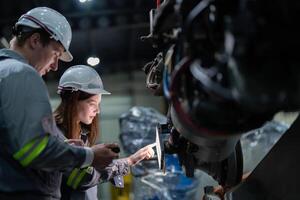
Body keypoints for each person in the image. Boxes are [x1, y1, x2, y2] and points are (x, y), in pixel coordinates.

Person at [0, 7, 120, 200]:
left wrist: (62, 146)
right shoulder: (21, 74)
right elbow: (34, 151)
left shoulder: (4, 72)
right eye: (55, 54)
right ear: (35, 40)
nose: (55, 66)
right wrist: (90, 155)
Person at [54, 65, 155, 200]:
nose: (98, 111)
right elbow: (82, 178)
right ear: (73, 100)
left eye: (98, 104)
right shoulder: (56, 136)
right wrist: (129, 161)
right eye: (92, 103)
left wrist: (108, 163)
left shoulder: (81, 135)